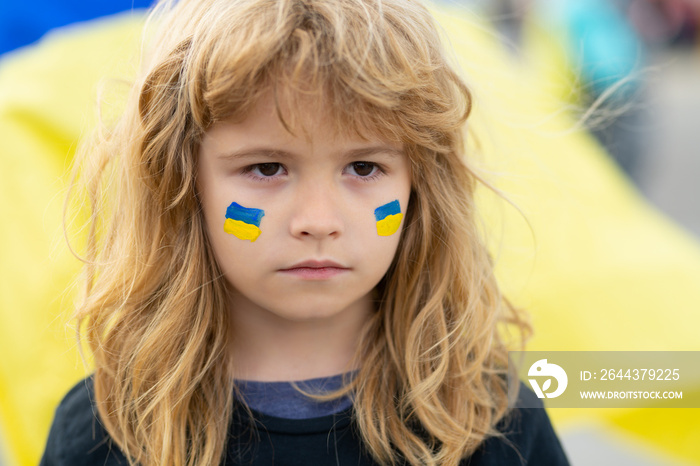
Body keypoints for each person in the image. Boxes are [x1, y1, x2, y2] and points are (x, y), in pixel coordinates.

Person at [40, 0, 570, 464]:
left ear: (419, 187)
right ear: (182, 181)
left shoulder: (491, 418)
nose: (318, 220)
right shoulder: (103, 428)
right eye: (267, 169)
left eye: (363, 168)